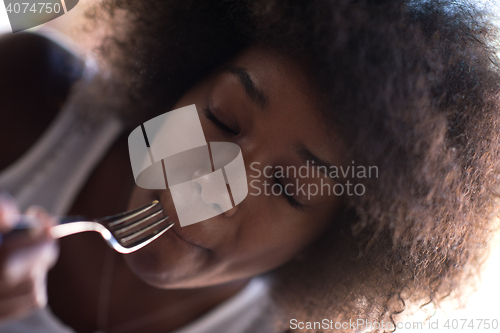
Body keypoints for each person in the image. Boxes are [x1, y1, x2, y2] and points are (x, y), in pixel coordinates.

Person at [0, 0, 499, 332]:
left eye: (286, 187)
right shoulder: (28, 91)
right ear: (181, 83)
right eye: (221, 118)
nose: (208, 189)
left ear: (321, 244)